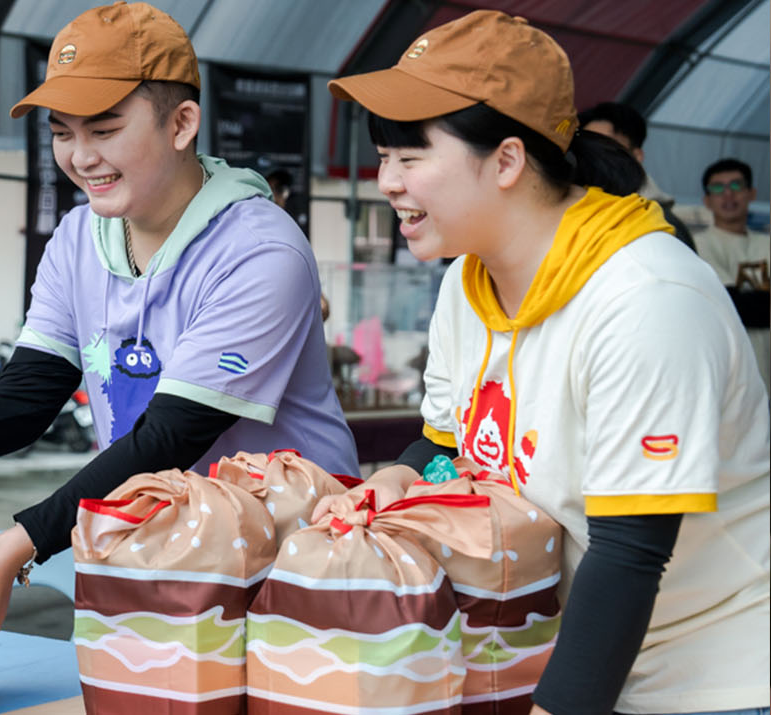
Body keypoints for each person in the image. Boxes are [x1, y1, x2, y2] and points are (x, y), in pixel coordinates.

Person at [0, 0, 359, 684]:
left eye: (104, 128)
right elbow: (26, 397)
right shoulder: (77, 238)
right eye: (62, 132)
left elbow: (170, 437)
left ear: (182, 123)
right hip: (158, 540)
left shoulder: (258, 249)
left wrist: (18, 544)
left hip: (294, 551)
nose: (80, 156)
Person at [324, 10, 769, 715]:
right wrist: (406, 475)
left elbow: (630, 553)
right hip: (579, 656)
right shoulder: (466, 288)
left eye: (411, 157)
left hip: (712, 679)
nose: (387, 181)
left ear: (505, 160)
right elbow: (448, 441)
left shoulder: (645, 298)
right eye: (383, 157)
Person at [693, 158, 770, 393]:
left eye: (736, 186)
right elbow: (729, 306)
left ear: (751, 193)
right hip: (731, 380)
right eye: (718, 188)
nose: (728, 195)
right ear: (707, 200)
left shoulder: (765, 243)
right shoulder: (698, 245)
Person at [578, 101, 696, 250]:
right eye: (588, 144)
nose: (595, 154)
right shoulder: (576, 212)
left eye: (606, 143)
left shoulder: (663, 223)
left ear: (637, 155)